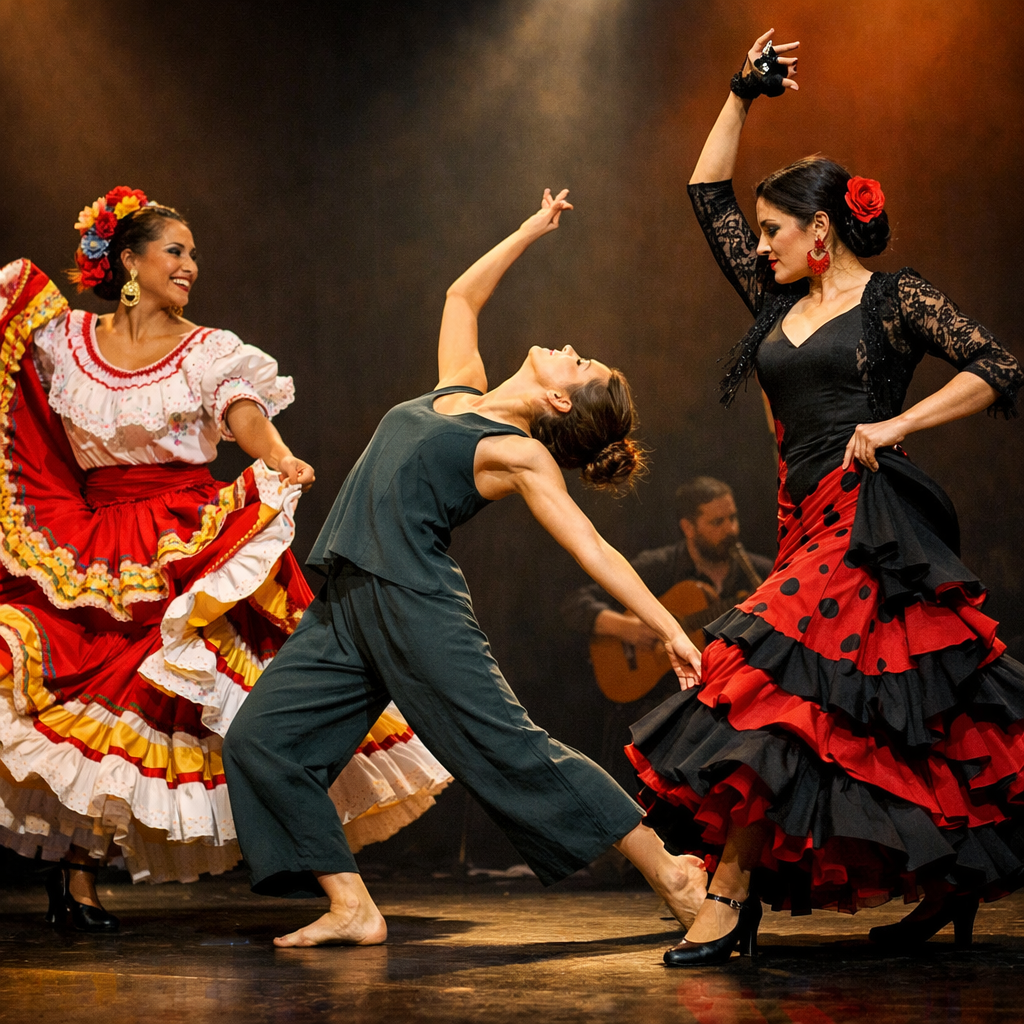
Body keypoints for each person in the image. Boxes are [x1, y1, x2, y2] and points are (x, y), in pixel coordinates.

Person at [627, 31, 1024, 966]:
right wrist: (738, 95)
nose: (758, 246)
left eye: (774, 231)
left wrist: (895, 427)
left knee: (776, 695)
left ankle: (729, 899)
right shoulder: (774, 303)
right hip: (802, 521)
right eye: (758, 234)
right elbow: (704, 197)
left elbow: (999, 369)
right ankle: (950, 881)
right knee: (882, 717)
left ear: (822, 231)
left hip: (872, 520)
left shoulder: (892, 301)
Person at [222, 188, 710, 948]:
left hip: (414, 604)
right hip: (349, 600)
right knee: (260, 740)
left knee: (507, 746)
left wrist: (666, 626)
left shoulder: (518, 453)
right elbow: (461, 294)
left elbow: (592, 548)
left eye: (580, 365)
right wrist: (529, 229)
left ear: (555, 398)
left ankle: (670, 870)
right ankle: (352, 905)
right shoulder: (459, 389)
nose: (572, 347)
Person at [0, 187, 449, 933]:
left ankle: (308, 857)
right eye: (175, 251)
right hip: (87, 537)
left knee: (214, 696)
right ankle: (76, 874)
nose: (190, 266)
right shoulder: (63, 341)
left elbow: (242, 413)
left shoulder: (209, 349)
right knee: (81, 688)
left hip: (185, 533)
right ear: (129, 262)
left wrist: (279, 456)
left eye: (194, 254)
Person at [562, 476, 772, 786]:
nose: (731, 530)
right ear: (689, 527)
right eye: (717, 522)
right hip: (663, 706)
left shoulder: (758, 573)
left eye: (732, 518)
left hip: (732, 706)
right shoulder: (659, 566)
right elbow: (575, 604)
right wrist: (628, 628)